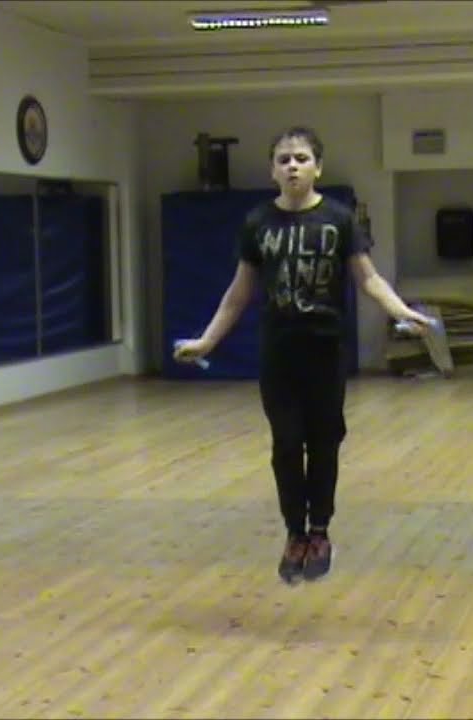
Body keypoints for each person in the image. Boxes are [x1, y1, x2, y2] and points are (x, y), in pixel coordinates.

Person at [174, 126, 432, 584]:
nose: (292, 166)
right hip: (279, 352)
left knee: (325, 441)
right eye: (284, 159)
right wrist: (207, 341)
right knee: (287, 443)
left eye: (301, 158)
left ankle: (320, 531)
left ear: (318, 168)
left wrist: (400, 311)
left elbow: (368, 279)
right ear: (272, 171)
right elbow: (238, 293)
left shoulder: (338, 220)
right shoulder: (258, 223)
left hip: (325, 350)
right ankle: (295, 532)